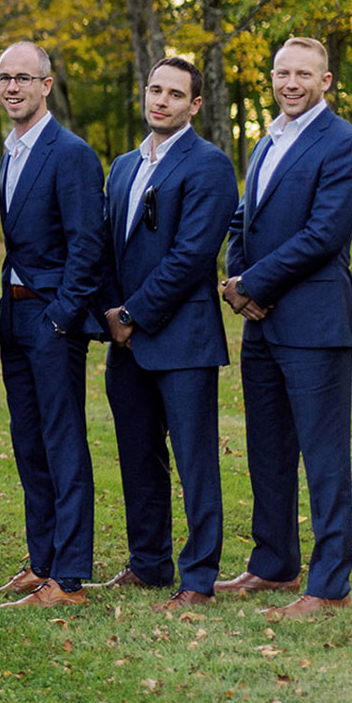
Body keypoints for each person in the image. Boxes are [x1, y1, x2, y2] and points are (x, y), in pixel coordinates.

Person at [219, 36, 352, 620]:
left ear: (325, 82)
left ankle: (330, 584)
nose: (290, 83)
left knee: (324, 455)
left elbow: (323, 235)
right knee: (269, 449)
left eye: (303, 74)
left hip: (314, 321)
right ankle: (274, 564)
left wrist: (254, 284)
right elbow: (243, 220)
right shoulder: (266, 142)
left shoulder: (345, 145)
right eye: (282, 72)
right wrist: (236, 283)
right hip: (260, 322)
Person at [100, 57, 237, 611]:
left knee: (194, 460)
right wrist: (112, 311)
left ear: (194, 105)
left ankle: (199, 578)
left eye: (174, 94)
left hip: (183, 339)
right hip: (124, 341)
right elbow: (108, 245)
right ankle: (148, 563)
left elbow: (191, 257)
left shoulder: (210, 166)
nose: (161, 101)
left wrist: (133, 316)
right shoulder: (124, 166)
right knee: (138, 456)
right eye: (155, 89)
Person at [0, 41, 108, 609]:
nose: (12, 87)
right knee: (29, 444)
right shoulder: (11, 150)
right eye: (4, 78)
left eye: (23, 79)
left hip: (52, 318)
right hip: (14, 318)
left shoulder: (70, 153)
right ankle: (42, 563)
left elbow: (88, 246)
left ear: (46, 84)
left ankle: (72, 578)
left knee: (62, 444)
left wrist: (61, 317)